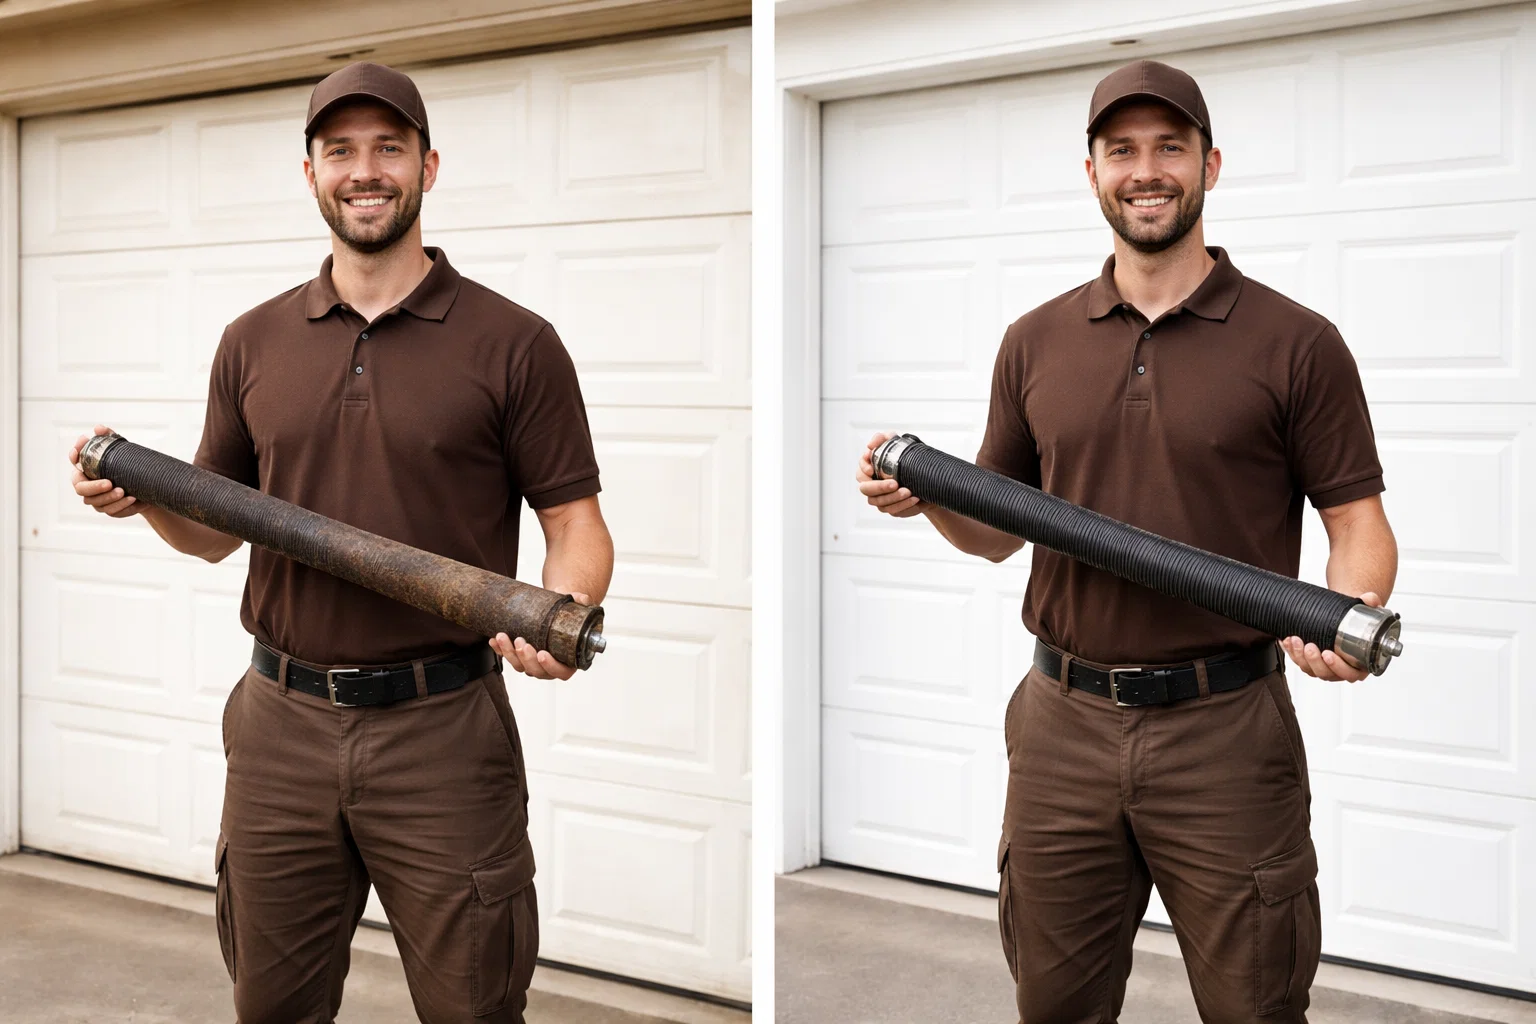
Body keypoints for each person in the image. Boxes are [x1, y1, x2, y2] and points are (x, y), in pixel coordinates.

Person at [68, 61, 614, 1024]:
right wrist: (143, 498)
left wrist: (557, 614)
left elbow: (574, 524)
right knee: (271, 1008)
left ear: (429, 168)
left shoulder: (515, 342)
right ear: (312, 173)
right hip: (280, 727)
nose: (365, 171)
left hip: (442, 733)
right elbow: (212, 532)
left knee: (475, 1009)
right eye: (341, 151)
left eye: (389, 149)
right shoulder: (252, 341)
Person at [856, 60, 1397, 1023]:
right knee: (1055, 1007)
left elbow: (1355, 521)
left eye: (1169, 149)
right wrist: (927, 496)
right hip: (1062, 725)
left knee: (1256, 1007)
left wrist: (1341, 620)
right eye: (1122, 151)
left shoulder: (1296, 342)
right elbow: (996, 533)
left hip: (1225, 734)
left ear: (1210, 166)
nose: (1146, 171)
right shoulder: (1035, 340)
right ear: (1094, 173)